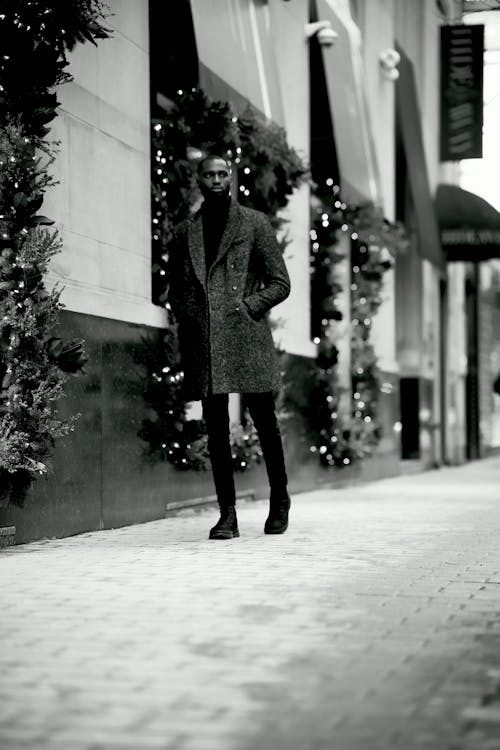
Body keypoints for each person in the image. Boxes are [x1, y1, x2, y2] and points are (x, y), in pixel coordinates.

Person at [167, 154, 291, 540]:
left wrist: (249, 306)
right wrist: (191, 320)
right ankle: (228, 514)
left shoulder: (254, 223)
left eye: (223, 174)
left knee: (265, 424)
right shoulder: (184, 231)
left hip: (247, 335)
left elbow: (281, 282)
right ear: (199, 180)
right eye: (209, 174)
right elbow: (177, 290)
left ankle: (280, 499)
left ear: (231, 177)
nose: (217, 179)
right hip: (206, 340)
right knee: (216, 429)